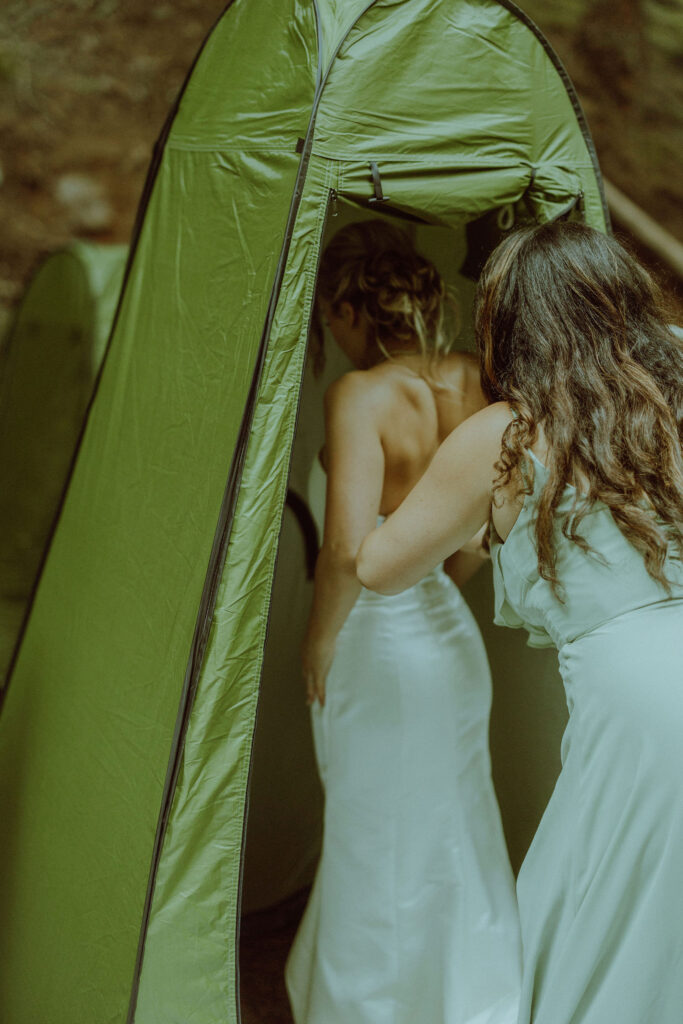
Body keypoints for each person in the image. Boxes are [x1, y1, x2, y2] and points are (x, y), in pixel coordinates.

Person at [357, 220, 683, 1024]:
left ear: (514, 326)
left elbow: (381, 566)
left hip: (640, 697)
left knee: (603, 901)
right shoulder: (665, 391)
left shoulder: (508, 433)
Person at [285, 220, 521, 1024]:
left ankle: (372, 1009)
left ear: (349, 307)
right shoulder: (470, 385)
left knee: (371, 833)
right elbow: (469, 548)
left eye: (328, 319)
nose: (331, 337)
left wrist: (316, 642)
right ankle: (465, 1000)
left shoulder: (356, 394)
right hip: (449, 644)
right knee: (452, 826)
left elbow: (349, 545)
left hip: (374, 647)